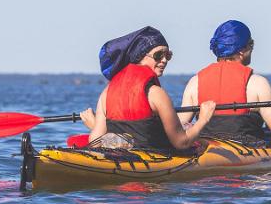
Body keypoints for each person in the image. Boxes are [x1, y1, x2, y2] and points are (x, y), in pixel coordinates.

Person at [81, 26, 215, 149]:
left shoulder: (107, 92)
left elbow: (95, 140)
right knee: (196, 136)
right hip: (152, 160)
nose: (164, 60)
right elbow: (181, 142)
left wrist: (94, 125)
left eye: (168, 55)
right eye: (158, 55)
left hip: (120, 155)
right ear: (140, 56)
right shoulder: (156, 93)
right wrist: (203, 119)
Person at [179, 20, 271, 144]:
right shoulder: (258, 83)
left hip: (206, 148)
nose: (252, 49)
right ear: (242, 50)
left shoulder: (194, 82)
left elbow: (179, 129)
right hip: (247, 152)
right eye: (251, 44)